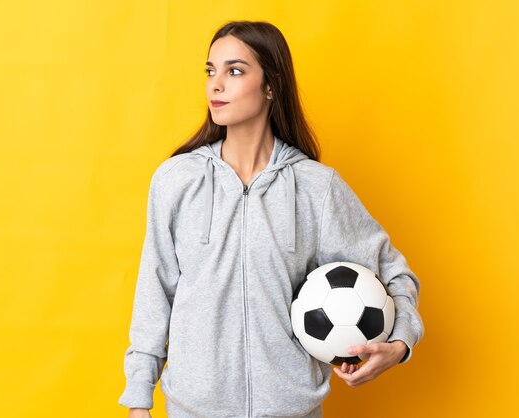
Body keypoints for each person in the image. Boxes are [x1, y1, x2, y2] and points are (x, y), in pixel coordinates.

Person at [118, 20, 424, 418]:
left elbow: (395, 275)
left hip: (290, 409)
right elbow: (154, 293)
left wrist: (399, 343)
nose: (216, 84)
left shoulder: (317, 188)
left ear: (270, 86)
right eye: (211, 71)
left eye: (235, 71)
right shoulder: (177, 181)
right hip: (193, 409)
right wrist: (139, 399)